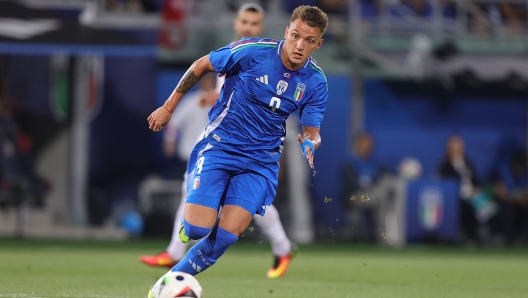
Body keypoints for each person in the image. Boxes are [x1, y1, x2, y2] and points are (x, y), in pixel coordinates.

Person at [146, 5, 328, 278]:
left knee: (227, 235)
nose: (300, 45)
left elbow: (312, 130)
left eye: (309, 41)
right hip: (221, 146)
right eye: (296, 36)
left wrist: (311, 142)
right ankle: (195, 223)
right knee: (197, 229)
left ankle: (169, 283)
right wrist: (169, 108)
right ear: (286, 32)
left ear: (319, 44)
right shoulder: (252, 51)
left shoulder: (316, 82)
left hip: (260, 161)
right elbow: (201, 65)